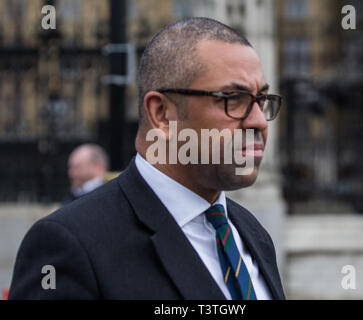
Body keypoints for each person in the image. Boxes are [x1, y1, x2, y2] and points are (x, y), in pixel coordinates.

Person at [9, 17, 285, 300]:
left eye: (261, 100)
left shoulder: (251, 233)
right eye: (233, 98)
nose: (259, 122)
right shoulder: (69, 245)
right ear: (162, 114)